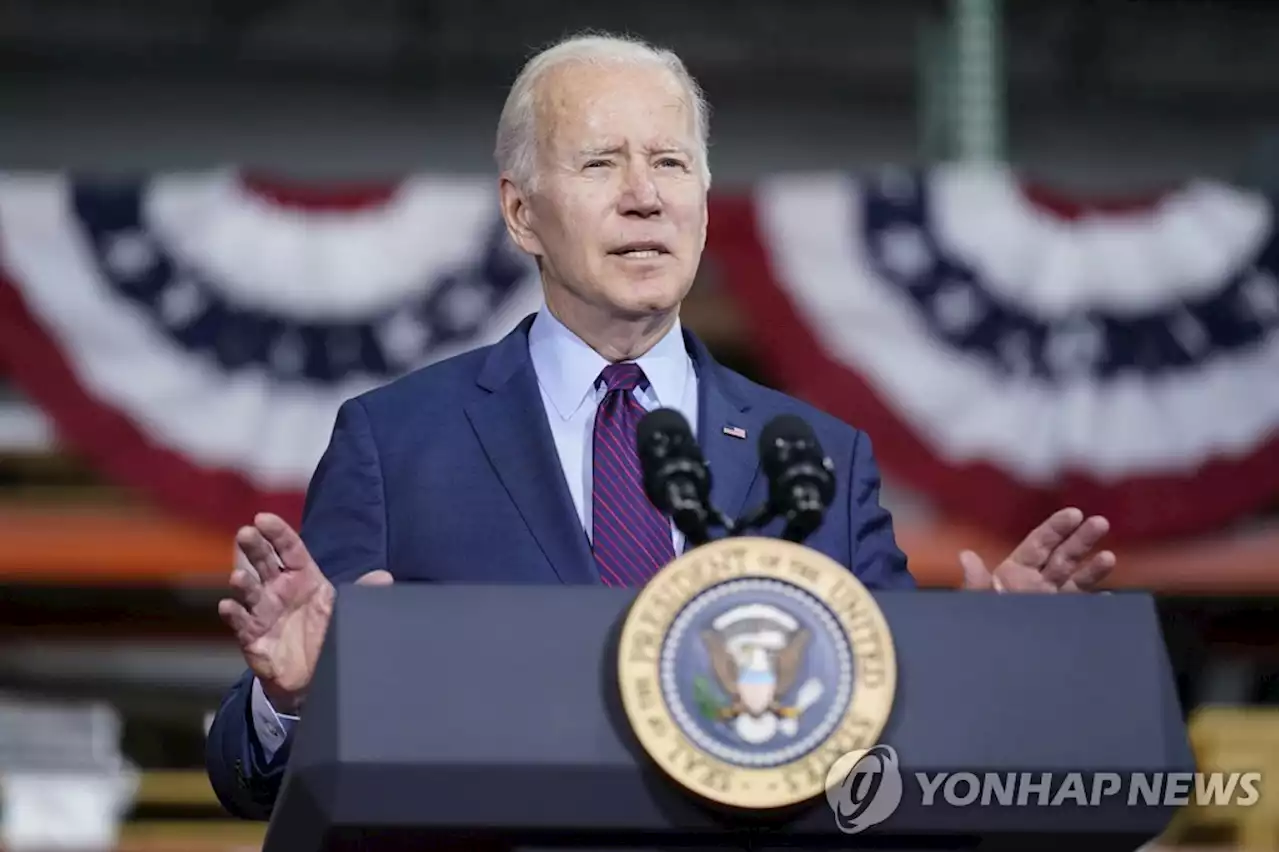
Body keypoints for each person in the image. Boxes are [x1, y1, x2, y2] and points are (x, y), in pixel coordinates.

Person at [204, 32, 1117, 820]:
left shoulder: (815, 460)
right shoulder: (397, 443)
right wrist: (289, 697)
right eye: (601, 164)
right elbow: (252, 781)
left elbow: (889, 739)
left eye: (671, 163)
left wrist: (993, 662)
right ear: (521, 212)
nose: (645, 195)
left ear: (705, 204)